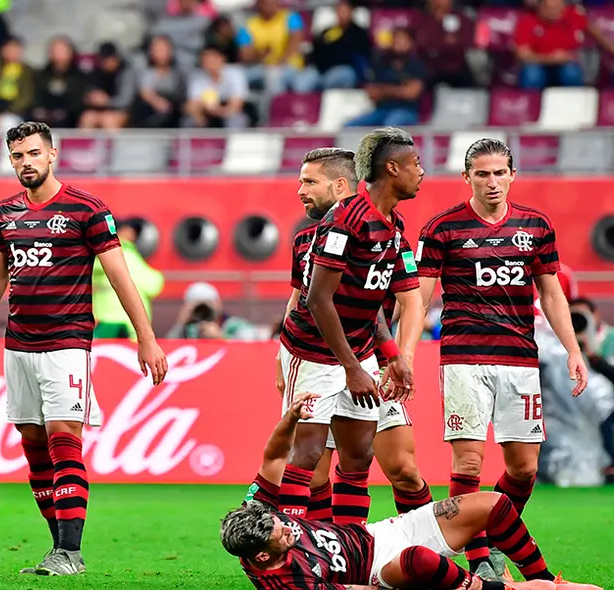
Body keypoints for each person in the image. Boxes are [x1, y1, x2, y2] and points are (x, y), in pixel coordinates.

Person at [0, 121, 168, 576]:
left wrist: (145, 337)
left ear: (53, 155)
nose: (25, 162)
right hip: (18, 342)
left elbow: (119, 275)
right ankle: (58, 549)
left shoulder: (86, 209)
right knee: (33, 444)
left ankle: (71, 551)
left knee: (64, 437)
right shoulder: (4, 213)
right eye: (17, 156)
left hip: (67, 343)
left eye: (33, 153)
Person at [416, 138, 588, 581]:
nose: (491, 182)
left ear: (512, 175)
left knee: (524, 468)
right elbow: (419, 296)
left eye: (499, 173)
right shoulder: (442, 228)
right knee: (469, 465)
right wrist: (403, 352)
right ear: (466, 177)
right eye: (482, 174)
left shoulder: (536, 226)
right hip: (464, 359)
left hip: (519, 361)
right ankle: (481, 564)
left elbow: (551, 293)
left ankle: (490, 533)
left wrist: (573, 349)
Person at [219, 392, 601, 590]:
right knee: (418, 560)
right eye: (281, 533)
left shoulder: (255, 515)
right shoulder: (287, 582)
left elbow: (272, 458)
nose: (288, 526)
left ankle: (548, 581)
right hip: (373, 574)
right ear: (265, 554)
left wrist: (289, 418)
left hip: (378, 534)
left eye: (279, 521)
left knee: (495, 505)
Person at [276, 128, 424, 527]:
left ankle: (350, 553)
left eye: (308, 181)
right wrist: (353, 368)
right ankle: (296, 556)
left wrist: (393, 356)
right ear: (392, 169)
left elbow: (372, 305)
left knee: (359, 458)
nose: (422, 172)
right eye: (415, 165)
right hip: (315, 353)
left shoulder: (394, 228)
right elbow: (316, 299)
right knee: (308, 458)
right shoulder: (342, 223)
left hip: (362, 354)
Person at [92, 216, 164, 339]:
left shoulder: (96, 256)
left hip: (102, 322)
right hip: (130, 325)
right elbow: (154, 286)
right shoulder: (129, 255)